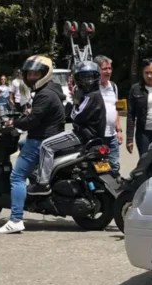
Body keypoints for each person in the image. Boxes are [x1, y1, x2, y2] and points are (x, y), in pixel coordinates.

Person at [0, 56, 66, 234]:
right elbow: (37, 114)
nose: (32, 77)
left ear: (45, 74)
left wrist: (14, 123)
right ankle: (34, 176)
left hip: (41, 138)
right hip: (49, 135)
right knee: (22, 142)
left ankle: (16, 219)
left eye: (36, 74)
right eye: (30, 74)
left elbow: (33, 120)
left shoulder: (44, 94)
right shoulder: (52, 90)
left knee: (16, 176)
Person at [28, 61, 106, 195]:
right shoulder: (95, 94)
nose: (87, 80)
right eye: (84, 77)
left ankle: (42, 184)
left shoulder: (89, 96)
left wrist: (73, 104)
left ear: (96, 77)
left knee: (46, 146)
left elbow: (76, 116)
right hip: (93, 134)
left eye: (90, 77)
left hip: (83, 134)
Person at [95, 55, 122, 173]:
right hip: (97, 135)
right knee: (101, 167)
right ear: (97, 70)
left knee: (114, 165)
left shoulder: (114, 87)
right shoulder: (92, 88)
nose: (108, 71)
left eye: (110, 68)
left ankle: (113, 188)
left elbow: (118, 109)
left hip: (112, 135)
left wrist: (119, 131)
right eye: (104, 69)